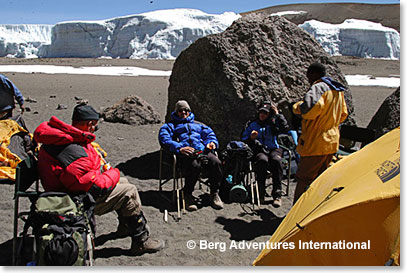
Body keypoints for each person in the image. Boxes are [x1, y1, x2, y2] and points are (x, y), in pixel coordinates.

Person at [34, 103, 164, 255]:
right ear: (89, 124)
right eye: (95, 126)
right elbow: (94, 186)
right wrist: (113, 172)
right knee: (130, 191)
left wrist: (103, 172)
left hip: (59, 190)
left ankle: (125, 226)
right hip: (72, 201)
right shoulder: (73, 150)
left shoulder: (59, 139)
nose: (95, 129)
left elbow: (83, 174)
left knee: (124, 182)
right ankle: (140, 241)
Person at [292, 62, 348, 203]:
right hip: (332, 142)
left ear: (314, 74)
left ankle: (295, 214)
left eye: (309, 75)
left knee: (304, 178)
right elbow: (343, 114)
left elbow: (309, 109)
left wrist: (296, 107)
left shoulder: (318, 88)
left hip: (315, 143)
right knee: (320, 179)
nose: (308, 79)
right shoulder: (337, 90)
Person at [158, 100, 224, 211]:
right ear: (176, 112)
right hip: (183, 154)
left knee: (216, 162)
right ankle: (187, 194)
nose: (183, 112)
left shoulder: (198, 125)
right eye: (180, 110)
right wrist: (179, 148)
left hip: (201, 151)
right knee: (195, 166)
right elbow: (164, 139)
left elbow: (210, 135)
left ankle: (214, 193)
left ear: (189, 111)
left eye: (186, 110)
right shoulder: (170, 126)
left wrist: (212, 143)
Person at [242, 101, 297, 207]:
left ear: (269, 114)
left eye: (265, 113)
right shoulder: (252, 124)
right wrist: (251, 138)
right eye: (261, 112)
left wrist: (278, 115)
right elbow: (243, 139)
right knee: (262, 160)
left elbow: (285, 128)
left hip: (273, 148)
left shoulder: (273, 122)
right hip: (259, 149)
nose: (262, 115)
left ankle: (277, 195)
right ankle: (260, 193)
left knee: (276, 160)